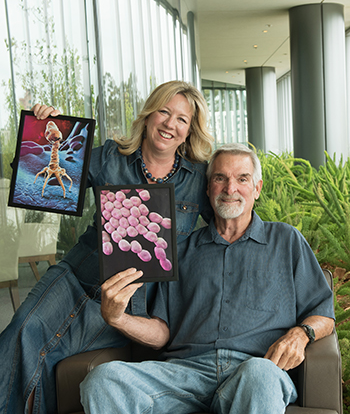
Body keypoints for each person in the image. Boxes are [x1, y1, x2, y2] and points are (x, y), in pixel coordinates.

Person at [0, 80, 214, 414]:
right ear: (148, 115)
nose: (170, 124)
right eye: (164, 111)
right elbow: (35, 182)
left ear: (190, 131)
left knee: (49, 351)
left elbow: (229, 229)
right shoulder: (111, 157)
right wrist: (43, 131)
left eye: (182, 119)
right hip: (77, 275)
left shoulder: (198, 179)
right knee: (21, 332)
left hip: (132, 299)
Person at [80, 143, 335, 414]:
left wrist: (302, 333)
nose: (230, 188)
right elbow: (161, 332)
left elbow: (323, 313)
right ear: (208, 188)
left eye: (242, 179)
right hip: (183, 373)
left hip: (253, 370)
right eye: (220, 178)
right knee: (102, 381)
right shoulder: (179, 250)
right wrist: (117, 318)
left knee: (261, 373)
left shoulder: (286, 240)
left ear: (257, 188)